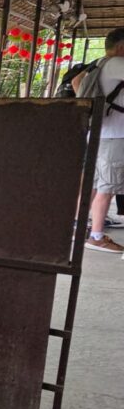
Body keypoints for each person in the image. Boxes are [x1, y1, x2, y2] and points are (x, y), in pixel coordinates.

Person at [72, 28, 124, 254]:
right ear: (121, 47)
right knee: (107, 187)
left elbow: (76, 80)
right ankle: (97, 236)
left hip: (98, 133)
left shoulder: (98, 63)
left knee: (94, 184)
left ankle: (79, 227)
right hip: (113, 134)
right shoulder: (116, 64)